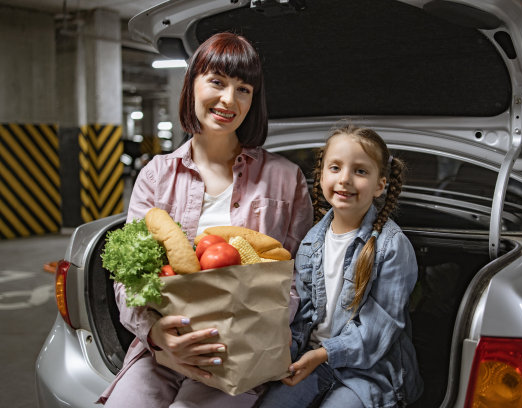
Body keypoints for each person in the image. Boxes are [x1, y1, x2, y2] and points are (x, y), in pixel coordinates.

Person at [99, 32, 313, 407]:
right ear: (192, 84)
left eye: (243, 89)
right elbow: (128, 278)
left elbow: (297, 277)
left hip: (241, 350)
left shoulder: (286, 178)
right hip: (165, 350)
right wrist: (156, 335)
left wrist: (252, 325)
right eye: (217, 82)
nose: (229, 100)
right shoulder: (155, 176)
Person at [256, 125, 423, 408]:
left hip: (370, 371)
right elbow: (304, 315)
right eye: (335, 168)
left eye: (360, 171)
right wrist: (285, 350)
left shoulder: (392, 246)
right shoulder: (311, 241)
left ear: (380, 184)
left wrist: (323, 354)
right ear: (321, 176)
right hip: (314, 359)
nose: (344, 179)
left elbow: (377, 332)